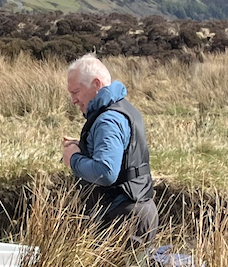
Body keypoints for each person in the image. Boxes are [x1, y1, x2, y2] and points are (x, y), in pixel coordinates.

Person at [61, 53, 158, 241]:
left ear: (96, 84)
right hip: (135, 212)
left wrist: (74, 159)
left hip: (125, 220)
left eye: (76, 92)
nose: (73, 100)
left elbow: (106, 172)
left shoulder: (108, 120)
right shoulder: (121, 108)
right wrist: (86, 148)